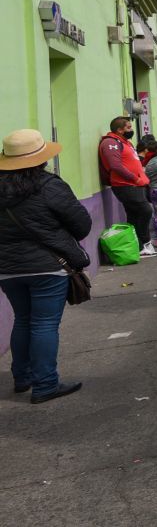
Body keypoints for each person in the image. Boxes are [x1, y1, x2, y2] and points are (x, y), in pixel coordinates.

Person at [0, 129, 91, 403]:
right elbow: (81, 224)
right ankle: (45, 384)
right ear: (41, 158)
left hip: (6, 269)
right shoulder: (49, 185)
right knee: (44, 324)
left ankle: (23, 377)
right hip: (47, 266)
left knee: (23, 320)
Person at [98, 117, 155, 258]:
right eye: (128, 127)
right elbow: (115, 165)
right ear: (119, 130)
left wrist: (142, 178)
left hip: (136, 185)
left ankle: (137, 245)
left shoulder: (125, 143)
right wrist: (135, 178)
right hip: (126, 185)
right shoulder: (110, 142)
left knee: (134, 215)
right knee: (145, 210)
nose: (131, 130)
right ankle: (144, 243)